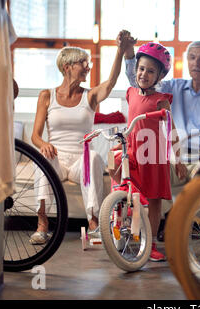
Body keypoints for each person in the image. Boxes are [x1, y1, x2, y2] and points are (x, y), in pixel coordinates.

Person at [30, 31, 132, 245]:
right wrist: (44, 144)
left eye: (89, 64)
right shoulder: (47, 96)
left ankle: (93, 223)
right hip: (55, 158)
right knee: (41, 157)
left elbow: (111, 82)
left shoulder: (90, 96)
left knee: (94, 156)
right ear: (67, 67)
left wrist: (120, 52)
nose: (88, 67)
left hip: (80, 161)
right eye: (83, 63)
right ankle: (42, 224)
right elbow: (35, 136)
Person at [122, 35, 200, 221]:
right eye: (191, 57)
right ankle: (168, 218)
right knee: (148, 174)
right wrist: (128, 54)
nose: (196, 63)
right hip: (173, 157)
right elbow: (140, 82)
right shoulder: (171, 87)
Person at [109, 41, 182, 262]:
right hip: (131, 150)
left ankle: (150, 244)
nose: (144, 74)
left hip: (153, 155)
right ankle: (117, 220)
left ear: (159, 77)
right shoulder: (131, 92)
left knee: (155, 201)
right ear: (135, 70)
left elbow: (172, 130)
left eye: (151, 71)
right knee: (116, 172)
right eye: (141, 69)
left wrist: (177, 159)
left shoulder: (161, 100)